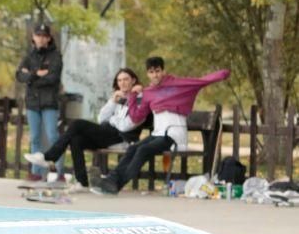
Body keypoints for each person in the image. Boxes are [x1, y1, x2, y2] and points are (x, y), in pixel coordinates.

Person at [91, 56, 230, 195]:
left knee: (143, 150)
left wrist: (223, 73)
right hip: (158, 134)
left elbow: (202, 81)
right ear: (147, 74)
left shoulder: (177, 84)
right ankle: (111, 180)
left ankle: (116, 185)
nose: (155, 75)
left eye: (157, 71)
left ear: (163, 71)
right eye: (151, 72)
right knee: (133, 148)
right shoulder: (148, 92)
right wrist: (133, 95)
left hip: (174, 134)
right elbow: (136, 116)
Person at [24, 67, 148, 191]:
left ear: (133, 80)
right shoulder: (119, 97)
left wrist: (112, 120)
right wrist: (112, 101)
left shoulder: (140, 99)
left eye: (126, 79)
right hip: (108, 134)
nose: (122, 83)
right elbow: (101, 118)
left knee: (77, 124)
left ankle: (49, 157)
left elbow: (127, 125)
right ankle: (82, 182)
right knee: (76, 139)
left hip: (122, 138)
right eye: (120, 80)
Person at [15, 22, 64, 182]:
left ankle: (58, 171)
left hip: (49, 102)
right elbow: (19, 76)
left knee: (53, 136)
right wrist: (37, 74)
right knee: (34, 138)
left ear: (49, 39)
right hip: (32, 103)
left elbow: (53, 78)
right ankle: (36, 172)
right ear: (33, 37)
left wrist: (31, 77)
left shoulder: (56, 56)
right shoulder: (29, 57)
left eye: (44, 36)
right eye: (38, 36)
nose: (41, 39)